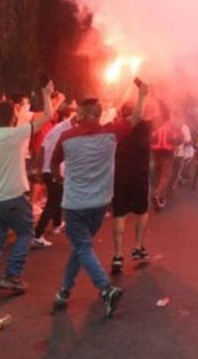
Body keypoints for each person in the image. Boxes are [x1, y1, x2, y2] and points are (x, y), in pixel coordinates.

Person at [51, 82, 147, 317]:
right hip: (100, 205)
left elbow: (53, 163)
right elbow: (135, 118)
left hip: (74, 205)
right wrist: (143, 94)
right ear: (99, 115)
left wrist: (59, 179)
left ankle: (106, 289)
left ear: (82, 114)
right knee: (81, 246)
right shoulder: (111, 133)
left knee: (82, 246)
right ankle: (64, 291)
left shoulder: (66, 136)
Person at [0, 81, 55, 302]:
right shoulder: (15, 135)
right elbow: (47, 116)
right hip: (13, 197)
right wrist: (46, 93)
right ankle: (12, 276)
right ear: (13, 118)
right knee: (25, 233)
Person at [111, 98, 169, 275]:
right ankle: (137, 247)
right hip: (139, 175)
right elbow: (166, 115)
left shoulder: (117, 127)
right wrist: (158, 97)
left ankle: (118, 255)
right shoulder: (145, 126)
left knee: (119, 214)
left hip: (120, 175)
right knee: (142, 212)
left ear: (122, 113)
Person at [32, 102, 77, 247]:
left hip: (48, 170)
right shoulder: (68, 131)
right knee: (53, 201)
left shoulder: (55, 129)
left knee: (56, 197)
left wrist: (39, 169)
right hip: (54, 170)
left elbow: (42, 148)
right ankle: (37, 234)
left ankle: (57, 223)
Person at [150, 110, 180, 210]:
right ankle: (158, 194)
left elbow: (151, 139)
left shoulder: (156, 129)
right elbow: (177, 140)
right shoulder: (171, 129)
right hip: (167, 153)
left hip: (156, 152)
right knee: (165, 175)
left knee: (158, 173)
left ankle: (160, 195)